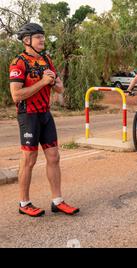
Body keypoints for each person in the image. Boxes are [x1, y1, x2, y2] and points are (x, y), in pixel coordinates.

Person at [9, 23, 79, 217]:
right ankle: (24, 203)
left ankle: (57, 201)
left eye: (43, 36)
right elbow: (16, 95)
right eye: (38, 36)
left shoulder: (47, 59)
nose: (43, 40)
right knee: (29, 159)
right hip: (28, 115)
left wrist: (54, 81)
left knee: (54, 157)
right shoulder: (19, 62)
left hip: (45, 115)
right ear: (26, 40)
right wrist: (42, 82)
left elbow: (60, 88)